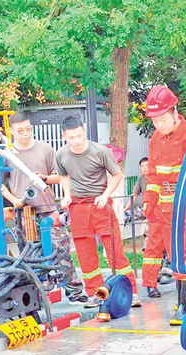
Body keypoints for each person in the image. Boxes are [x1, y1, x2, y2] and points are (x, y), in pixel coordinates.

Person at [1, 112, 88, 306]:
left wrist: (45, 178)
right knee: (30, 254)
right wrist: (14, 200)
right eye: (20, 131)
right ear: (12, 131)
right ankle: (38, 294)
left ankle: (74, 291)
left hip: (48, 208)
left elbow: (60, 176)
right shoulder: (7, 154)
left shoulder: (45, 149)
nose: (25, 133)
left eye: (28, 129)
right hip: (24, 212)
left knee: (61, 248)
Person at [57, 115, 140, 311]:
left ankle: (130, 292)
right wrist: (66, 195)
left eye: (79, 136)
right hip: (78, 207)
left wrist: (105, 195)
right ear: (64, 137)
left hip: (100, 205)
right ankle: (95, 293)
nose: (76, 141)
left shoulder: (100, 151)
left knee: (114, 251)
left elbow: (117, 175)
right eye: (71, 138)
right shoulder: (61, 154)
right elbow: (63, 176)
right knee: (85, 254)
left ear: (84, 131)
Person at [141, 86, 186, 323]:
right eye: (154, 121)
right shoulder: (155, 138)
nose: (159, 125)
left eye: (162, 119)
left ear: (174, 112)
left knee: (185, 253)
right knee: (175, 255)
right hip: (165, 208)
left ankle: (185, 302)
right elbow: (154, 176)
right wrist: (149, 200)